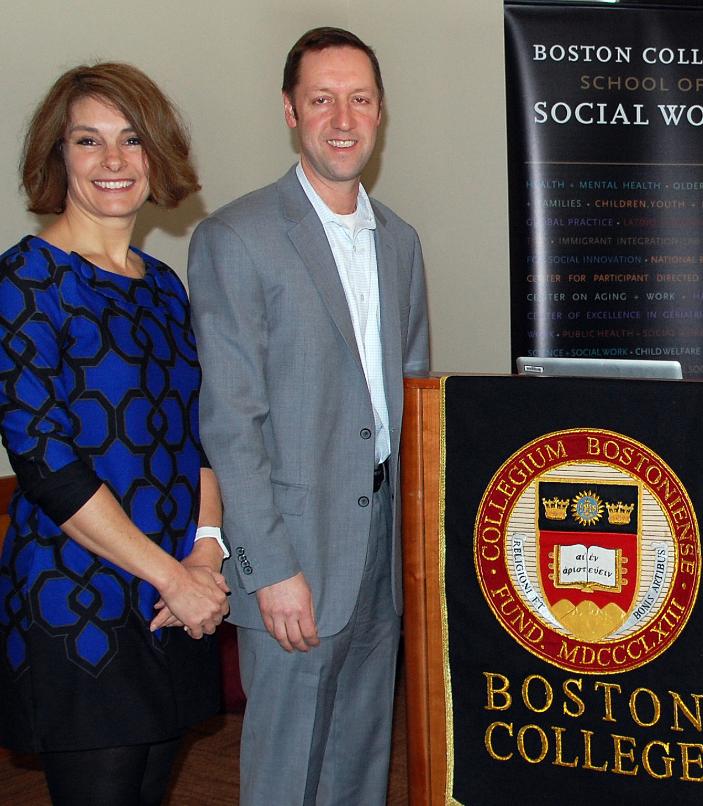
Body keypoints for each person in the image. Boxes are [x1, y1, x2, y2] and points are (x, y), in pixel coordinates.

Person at [188, 27, 431, 804]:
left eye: (359, 99)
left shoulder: (401, 243)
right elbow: (231, 422)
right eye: (321, 98)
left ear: (381, 112)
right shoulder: (237, 238)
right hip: (292, 563)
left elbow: (414, 401)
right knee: (286, 778)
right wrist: (270, 569)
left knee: (359, 774)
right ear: (290, 111)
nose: (342, 117)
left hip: (382, 562)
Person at [0, 63, 230, 805]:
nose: (112, 161)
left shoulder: (164, 286)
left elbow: (198, 435)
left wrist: (204, 553)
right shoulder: (26, 281)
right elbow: (47, 464)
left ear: (155, 154)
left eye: (131, 140)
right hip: (81, 601)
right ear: (56, 157)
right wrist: (172, 576)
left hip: (172, 599)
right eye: (87, 140)